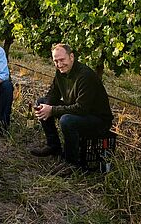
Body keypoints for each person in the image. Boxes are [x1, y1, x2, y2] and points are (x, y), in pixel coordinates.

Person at [30, 43, 114, 175]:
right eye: (55, 61)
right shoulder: (60, 72)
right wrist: (45, 107)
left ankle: (71, 163)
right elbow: (53, 93)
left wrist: (52, 110)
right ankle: (53, 146)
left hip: (98, 119)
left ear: (71, 57)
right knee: (42, 102)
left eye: (62, 60)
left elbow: (82, 108)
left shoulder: (85, 76)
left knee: (67, 120)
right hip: (79, 111)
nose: (59, 64)